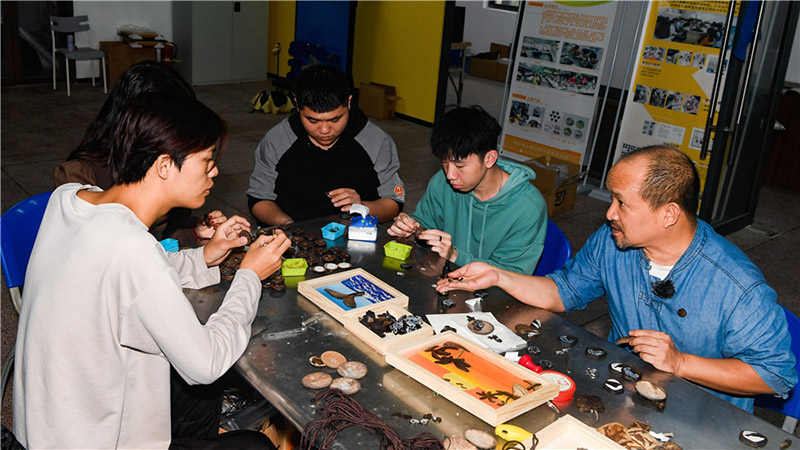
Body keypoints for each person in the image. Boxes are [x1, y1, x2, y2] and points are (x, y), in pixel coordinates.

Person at [14, 93, 290, 449]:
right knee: (253, 445)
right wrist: (249, 276)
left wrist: (205, 255)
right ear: (164, 165)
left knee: (191, 396)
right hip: (92, 440)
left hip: (45, 430)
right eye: (207, 161)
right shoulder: (132, 249)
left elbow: (122, 273)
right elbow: (205, 362)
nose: (216, 172)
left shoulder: (69, 198)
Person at [437, 145, 796, 412]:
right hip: (620, 392)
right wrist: (498, 275)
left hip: (700, 414)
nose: (609, 213)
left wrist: (681, 363)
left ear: (669, 214)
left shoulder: (736, 285)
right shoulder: (614, 243)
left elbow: (776, 375)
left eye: (622, 203)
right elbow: (564, 291)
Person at [54, 61, 225, 246]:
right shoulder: (78, 179)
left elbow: (166, 236)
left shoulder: (172, 166)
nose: (213, 170)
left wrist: (195, 233)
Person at [388, 106, 547, 274]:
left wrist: (455, 255)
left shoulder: (528, 207)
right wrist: (409, 229)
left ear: (489, 159)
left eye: (460, 165)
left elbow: (512, 275)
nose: (450, 174)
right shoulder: (442, 182)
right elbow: (424, 224)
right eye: (444, 162)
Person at [247, 64, 405, 226]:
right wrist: (289, 227)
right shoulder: (278, 140)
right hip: (293, 229)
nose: (324, 130)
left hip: (356, 233)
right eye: (312, 120)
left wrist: (363, 207)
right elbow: (259, 198)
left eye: (335, 120)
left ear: (349, 103)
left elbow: (394, 200)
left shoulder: (375, 141)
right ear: (297, 104)